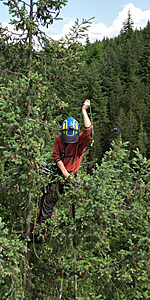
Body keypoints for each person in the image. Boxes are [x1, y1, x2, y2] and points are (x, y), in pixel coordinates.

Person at [33, 99, 93, 231]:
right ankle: (40, 232)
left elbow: (89, 131)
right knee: (47, 202)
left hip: (74, 178)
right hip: (60, 174)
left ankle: (72, 234)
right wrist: (65, 173)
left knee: (74, 208)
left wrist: (84, 110)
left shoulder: (81, 140)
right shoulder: (59, 139)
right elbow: (57, 156)